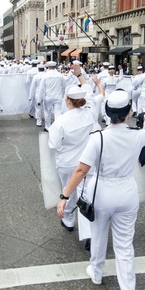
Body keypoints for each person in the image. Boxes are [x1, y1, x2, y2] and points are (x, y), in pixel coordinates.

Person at [57, 89, 145, 290]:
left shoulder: (98, 137)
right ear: (129, 112)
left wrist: (64, 196)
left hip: (101, 191)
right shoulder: (136, 135)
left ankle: (97, 271)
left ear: (107, 113)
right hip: (127, 191)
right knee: (124, 246)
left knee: (99, 234)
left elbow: (82, 169)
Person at [48, 85, 99, 232]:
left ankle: (68, 219)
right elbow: (91, 98)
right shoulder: (90, 114)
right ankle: (89, 228)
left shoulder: (60, 122)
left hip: (67, 162)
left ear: (68, 101)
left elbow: (54, 144)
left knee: (67, 190)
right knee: (87, 193)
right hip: (87, 161)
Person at [40, 61, 66, 130]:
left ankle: (48, 127)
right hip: (58, 96)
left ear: (48, 67)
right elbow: (64, 86)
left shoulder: (45, 76)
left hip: (48, 96)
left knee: (47, 112)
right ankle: (58, 127)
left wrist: (39, 99)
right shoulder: (60, 75)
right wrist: (62, 95)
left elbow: (41, 88)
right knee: (57, 112)